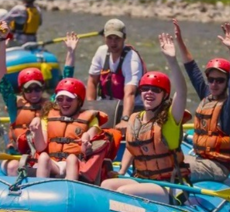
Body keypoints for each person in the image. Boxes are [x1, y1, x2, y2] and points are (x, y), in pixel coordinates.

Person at [101, 32, 190, 204]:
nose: (149, 93)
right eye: (145, 89)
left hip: (169, 185)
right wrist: (122, 171)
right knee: (107, 185)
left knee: (124, 191)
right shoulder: (135, 118)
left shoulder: (170, 118)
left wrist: (172, 60)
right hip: (142, 180)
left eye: (156, 90)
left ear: (164, 96)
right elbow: (131, 147)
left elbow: (183, 92)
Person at [0, 20, 79, 176]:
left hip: (40, 158)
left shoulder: (49, 105)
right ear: (22, 90)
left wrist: (71, 52)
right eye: (29, 89)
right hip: (16, 156)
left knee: (43, 162)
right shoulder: (14, 104)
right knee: (12, 167)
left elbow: (66, 80)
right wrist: (2, 40)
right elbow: (2, 77)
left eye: (38, 88)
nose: (34, 93)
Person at [173, 19, 230, 182]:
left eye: (220, 80)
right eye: (211, 79)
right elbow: (191, 68)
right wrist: (180, 42)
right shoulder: (207, 94)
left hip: (221, 168)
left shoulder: (227, 106)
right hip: (202, 160)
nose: (214, 84)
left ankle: (177, 203)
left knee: (177, 169)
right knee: (165, 163)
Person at [30, 78, 110, 182]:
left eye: (69, 99)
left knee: (71, 158)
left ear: (79, 101)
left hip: (76, 163)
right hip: (54, 164)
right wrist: (37, 127)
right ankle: (40, 189)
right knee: (43, 157)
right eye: (60, 99)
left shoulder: (91, 118)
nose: (64, 102)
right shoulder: (47, 117)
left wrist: (86, 138)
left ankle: (72, 189)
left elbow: (91, 134)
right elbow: (40, 147)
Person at [86, 18, 146, 131]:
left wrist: (125, 119)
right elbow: (92, 82)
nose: (113, 43)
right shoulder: (101, 52)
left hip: (132, 106)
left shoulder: (131, 59)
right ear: (104, 37)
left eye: (117, 38)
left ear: (124, 38)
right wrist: (91, 108)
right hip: (107, 103)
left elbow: (130, 92)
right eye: (109, 38)